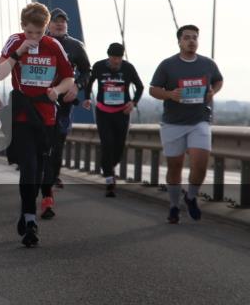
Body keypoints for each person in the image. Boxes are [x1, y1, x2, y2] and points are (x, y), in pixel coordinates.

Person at [0, 3, 75, 247]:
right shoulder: (15, 41)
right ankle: (30, 218)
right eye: (29, 32)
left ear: (45, 30)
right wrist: (18, 52)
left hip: (46, 115)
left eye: (39, 33)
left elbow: (69, 77)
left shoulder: (54, 45)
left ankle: (26, 211)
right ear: (22, 27)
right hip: (22, 114)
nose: (34, 37)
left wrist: (57, 90)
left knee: (40, 169)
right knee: (29, 167)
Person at [148, 24, 223, 224]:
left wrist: (212, 92)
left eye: (195, 38)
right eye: (187, 38)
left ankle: (191, 197)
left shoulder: (207, 64)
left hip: (199, 120)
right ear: (179, 41)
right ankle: (174, 206)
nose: (192, 41)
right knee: (175, 168)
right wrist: (169, 94)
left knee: (200, 164)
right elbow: (153, 89)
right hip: (173, 123)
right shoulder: (168, 65)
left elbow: (218, 81)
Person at [84, 43, 144, 196]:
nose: (116, 61)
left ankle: (107, 165)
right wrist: (87, 99)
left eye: (119, 58)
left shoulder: (128, 68)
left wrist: (133, 103)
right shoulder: (99, 67)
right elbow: (89, 83)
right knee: (107, 143)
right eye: (113, 58)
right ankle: (110, 180)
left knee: (118, 147)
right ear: (108, 56)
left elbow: (140, 86)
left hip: (122, 113)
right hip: (103, 112)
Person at [45, 8, 91, 192]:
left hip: (64, 103)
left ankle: (53, 176)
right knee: (43, 141)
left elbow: (87, 71)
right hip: (42, 100)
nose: (59, 23)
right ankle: (41, 173)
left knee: (58, 141)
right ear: (48, 24)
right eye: (56, 20)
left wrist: (77, 86)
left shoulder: (75, 46)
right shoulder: (39, 43)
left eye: (63, 21)